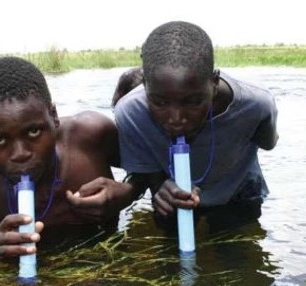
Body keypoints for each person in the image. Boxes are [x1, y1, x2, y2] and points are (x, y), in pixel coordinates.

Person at [0, 56, 132, 259]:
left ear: (53, 116)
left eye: (34, 131)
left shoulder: (91, 138)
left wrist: (129, 193)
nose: (20, 153)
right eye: (0, 140)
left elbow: (145, 171)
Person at [113, 21, 278, 231]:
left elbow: (268, 143)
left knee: (237, 254)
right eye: (160, 103)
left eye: (193, 102)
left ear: (215, 83)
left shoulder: (256, 104)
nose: (176, 118)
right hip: (177, 196)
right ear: (145, 85)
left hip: (240, 193)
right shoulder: (130, 113)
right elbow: (149, 175)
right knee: (171, 256)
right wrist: (162, 190)